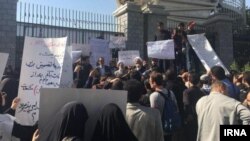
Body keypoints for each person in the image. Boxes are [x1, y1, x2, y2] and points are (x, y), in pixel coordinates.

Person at [182, 73, 205, 141]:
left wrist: (188, 115)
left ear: (189, 80)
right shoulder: (201, 92)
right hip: (199, 115)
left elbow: (186, 104)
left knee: (190, 135)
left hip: (191, 116)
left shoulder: (186, 92)